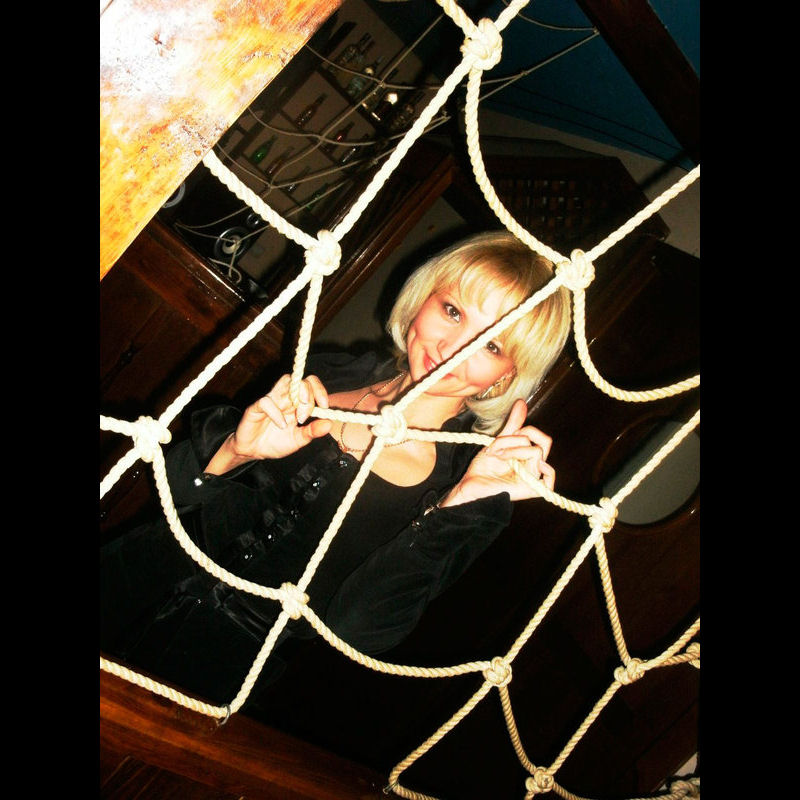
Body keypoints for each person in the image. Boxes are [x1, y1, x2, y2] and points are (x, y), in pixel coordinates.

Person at [100, 230, 572, 706]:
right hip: (130, 571)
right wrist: (234, 453)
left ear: (506, 377)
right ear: (424, 297)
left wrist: (456, 508)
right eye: (453, 311)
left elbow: (359, 631)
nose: (455, 347)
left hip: (214, 669)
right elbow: (175, 489)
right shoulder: (326, 373)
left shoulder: (465, 490)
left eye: (491, 345)